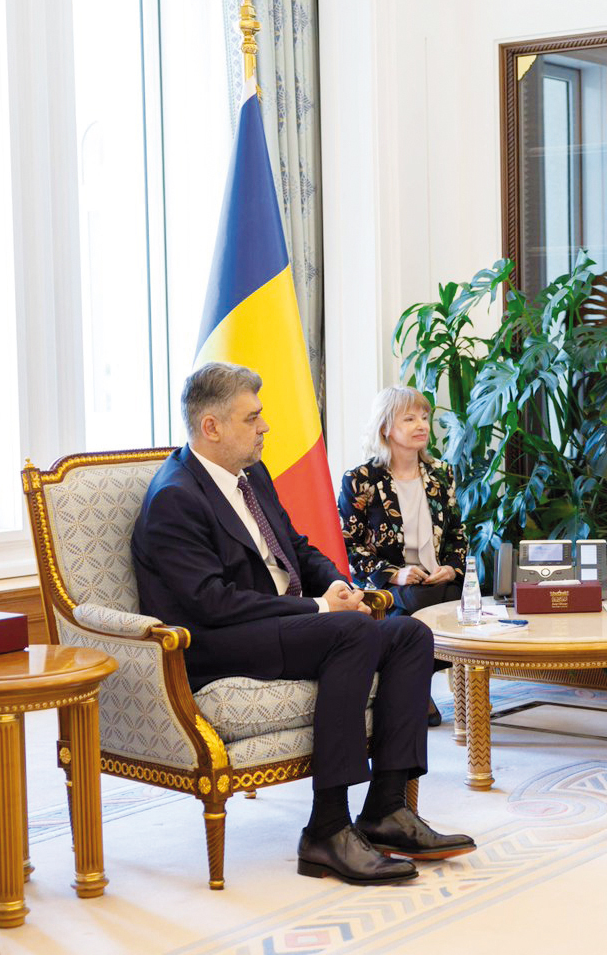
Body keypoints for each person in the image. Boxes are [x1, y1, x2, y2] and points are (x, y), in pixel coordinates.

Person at [131, 362, 475, 886]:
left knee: (410, 634)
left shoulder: (252, 476)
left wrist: (343, 587)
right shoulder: (175, 497)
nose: (265, 426)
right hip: (217, 642)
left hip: (281, 622)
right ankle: (327, 828)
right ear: (212, 427)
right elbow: (212, 604)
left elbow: (296, 548)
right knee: (353, 632)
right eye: (253, 417)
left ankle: (386, 810)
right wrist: (318, 609)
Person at [338, 386, 467, 725]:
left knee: (462, 606)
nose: (421, 425)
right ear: (386, 428)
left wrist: (452, 569)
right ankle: (414, 688)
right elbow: (350, 546)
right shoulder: (360, 480)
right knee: (411, 606)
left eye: (424, 417)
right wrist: (395, 573)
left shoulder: (442, 475)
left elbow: (456, 534)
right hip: (391, 587)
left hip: (438, 584)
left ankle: (447, 692)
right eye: (409, 418)